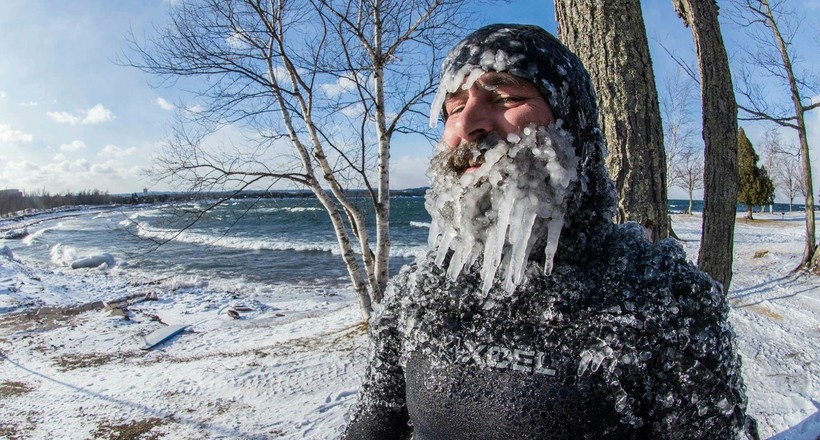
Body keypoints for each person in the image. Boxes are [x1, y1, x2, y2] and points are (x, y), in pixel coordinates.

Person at [342, 24, 751, 439]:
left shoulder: (664, 300)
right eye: (453, 107)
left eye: (506, 97)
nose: (466, 124)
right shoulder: (416, 296)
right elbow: (371, 425)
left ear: (574, 128)